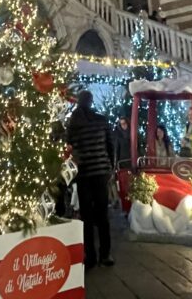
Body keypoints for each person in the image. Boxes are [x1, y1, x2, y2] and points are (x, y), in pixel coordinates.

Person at [66, 91, 114, 269]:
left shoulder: (73, 123)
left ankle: (90, 256)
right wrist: (110, 168)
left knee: (86, 216)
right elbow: (110, 146)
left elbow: (69, 147)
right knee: (102, 215)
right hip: (100, 172)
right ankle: (105, 253)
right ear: (91, 101)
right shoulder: (102, 120)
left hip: (84, 174)